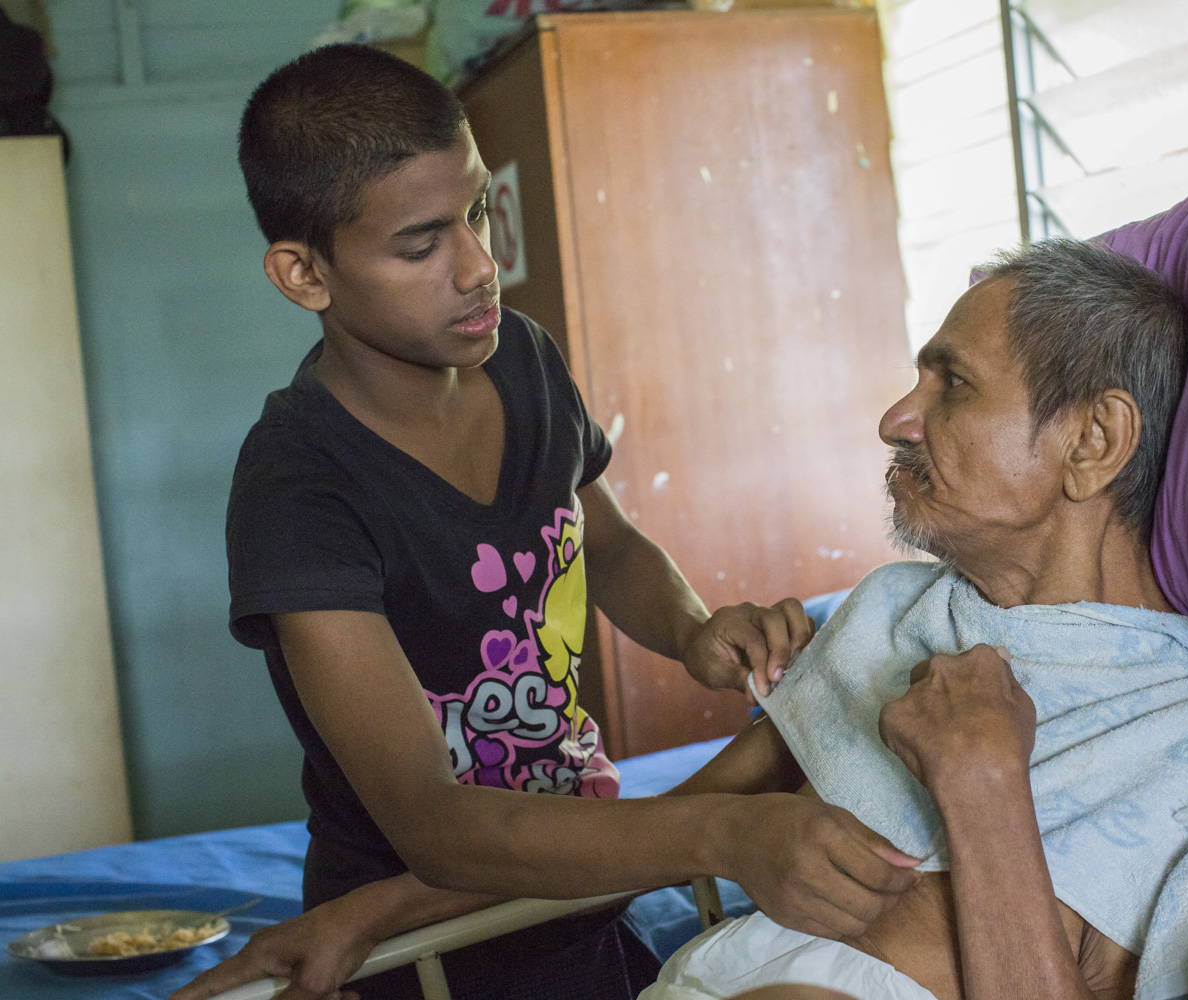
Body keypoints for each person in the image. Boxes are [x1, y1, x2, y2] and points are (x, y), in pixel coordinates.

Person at [173, 44, 919, 1000]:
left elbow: (601, 543)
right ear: (304, 274)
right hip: (419, 941)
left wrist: (692, 630)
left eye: (480, 211)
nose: (481, 267)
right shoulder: (299, 487)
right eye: (422, 243)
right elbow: (435, 825)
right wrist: (721, 830)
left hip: (584, 884)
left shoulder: (522, 361)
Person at [641, 239, 1188, 1000]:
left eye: (952, 384)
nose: (895, 419)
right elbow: (672, 827)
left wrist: (983, 783)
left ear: (1094, 442)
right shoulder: (896, 610)